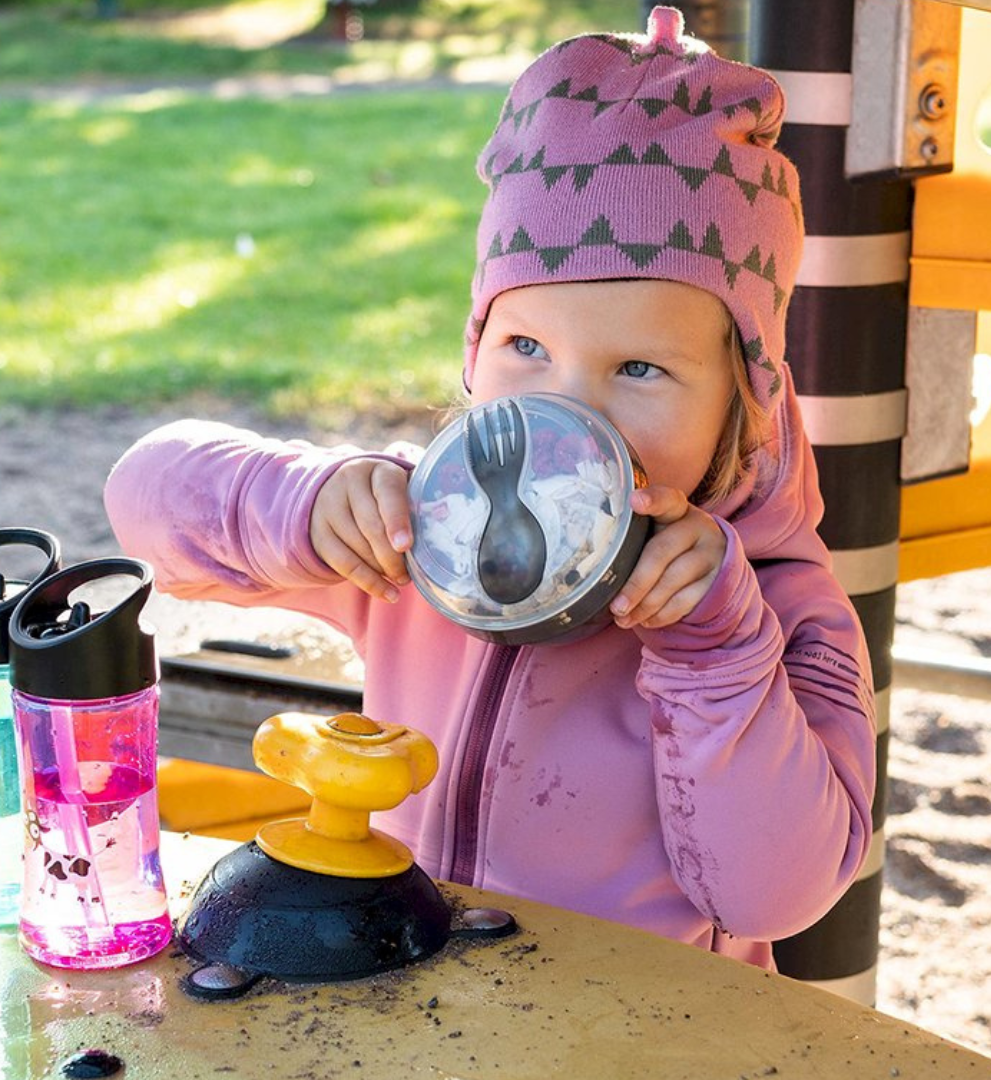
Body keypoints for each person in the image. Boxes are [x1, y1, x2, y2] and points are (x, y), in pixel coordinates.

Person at [105, 6, 876, 971]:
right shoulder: (430, 533)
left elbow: (779, 894)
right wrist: (308, 505)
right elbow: (143, 501)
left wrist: (715, 649)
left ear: (745, 402)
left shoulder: (774, 610)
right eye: (526, 349)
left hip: (651, 1041)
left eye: (639, 368)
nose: (569, 410)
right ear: (477, 356)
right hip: (421, 1012)